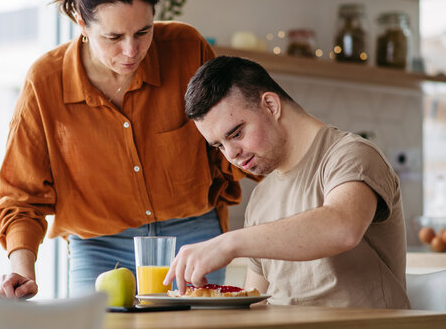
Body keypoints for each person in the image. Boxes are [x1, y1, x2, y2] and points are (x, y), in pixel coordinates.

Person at [0, 0, 250, 299]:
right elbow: (20, 196)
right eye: (113, 37)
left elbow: (230, 139)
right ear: (81, 25)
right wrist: (21, 272)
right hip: (100, 249)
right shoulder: (45, 83)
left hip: (193, 235)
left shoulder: (188, 50)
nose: (131, 51)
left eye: (143, 31)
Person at [164, 56, 410, 309]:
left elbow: (343, 228)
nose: (231, 154)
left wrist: (228, 244)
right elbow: (254, 302)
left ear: (271, 105)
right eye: (219, 146)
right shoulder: (261, 197)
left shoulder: (351, 154)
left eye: (236, 134)